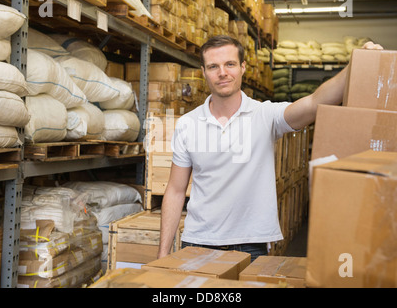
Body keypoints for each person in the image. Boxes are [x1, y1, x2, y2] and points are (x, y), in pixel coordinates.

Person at [157, 35, 383, 261]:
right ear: (204, 72)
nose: (222, 72)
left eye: (230, 64)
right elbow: (176, 190)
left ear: (243, 67)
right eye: (213, 66)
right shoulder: (188, 124)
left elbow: (315, 103)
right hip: (198, 242)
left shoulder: (265, 115)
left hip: (250, 244)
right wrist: (163, 253)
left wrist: (356, 64)